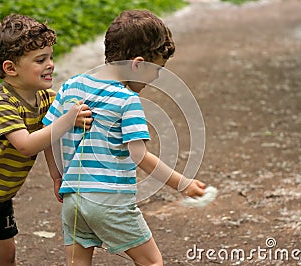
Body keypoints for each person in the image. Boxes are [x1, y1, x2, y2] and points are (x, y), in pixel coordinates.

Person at [43, 10, 206, 266]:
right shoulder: (127, 100)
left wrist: (57, 177)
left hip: (72, 200)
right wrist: (182, 183)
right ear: (138, 64)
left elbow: (50, 136)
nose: (156, 77)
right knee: (151, 262)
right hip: (109, 201)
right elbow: (139, 155)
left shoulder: (72, 85)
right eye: (157, 69)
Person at [0, 14, 92, 266]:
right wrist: (67, 120)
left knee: (7, 256)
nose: (50, 64)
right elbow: (26, 145)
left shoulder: (46, 99)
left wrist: (56, 175)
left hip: (1, 195)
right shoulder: (0, 102)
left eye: (50, 57)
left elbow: (49, 137)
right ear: (10, 68)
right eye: (40, 60)